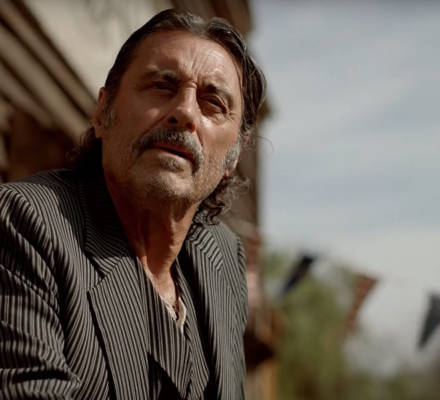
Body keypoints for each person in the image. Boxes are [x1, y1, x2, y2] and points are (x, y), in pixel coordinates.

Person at [0, 8, 265, 400]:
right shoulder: (24, 222)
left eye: (212, 103)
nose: (184, 112)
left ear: (233, 157)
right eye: (161, 86)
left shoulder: (223, 259)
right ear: (103, 113)